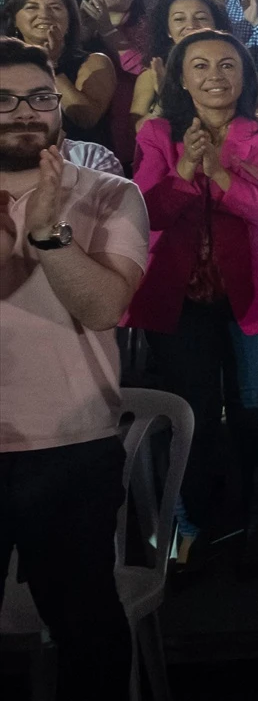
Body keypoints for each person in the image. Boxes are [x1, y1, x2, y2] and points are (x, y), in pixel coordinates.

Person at [0, 36, 150, 701]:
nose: (23, 113)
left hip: (71, 445)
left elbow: (103, 308)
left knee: (87, 629)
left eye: (37, 98)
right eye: (2, 101)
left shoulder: (112, 194)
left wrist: (48, 234)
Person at [127, 29, 258, 577]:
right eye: (199, 66)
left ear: (246, 76)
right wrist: (184, 174)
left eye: (227, 66)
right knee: (194, 415)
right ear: (180, 77)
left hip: (254, 291)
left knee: (253, 415)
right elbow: (146, 213)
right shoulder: (157, 133)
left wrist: (222, 175)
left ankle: (254, 518)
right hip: (178, 296)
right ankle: (191, 527)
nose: (214, 77)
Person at [3, 0, 117, 148]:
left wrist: (50, 64)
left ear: (70, 18)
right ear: (14, 19)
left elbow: (85, 118)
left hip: (80, 161)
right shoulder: (4, 65)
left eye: (55, 8)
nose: (44, 15)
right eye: (31, 7)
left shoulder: (94, 62)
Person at [78, 0, 148, 167]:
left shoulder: (146, 29)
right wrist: (81, 34)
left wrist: (107, 29)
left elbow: (142, 69)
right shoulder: (71, 23)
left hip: (123, 125)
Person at [129, 0, 231, 133]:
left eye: (201, 17)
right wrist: (164, 100)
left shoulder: (235, 68)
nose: (191, 25)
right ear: (168, 30)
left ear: (216, 25)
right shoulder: (151, 75)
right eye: (179, 19)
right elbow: (138, 131)